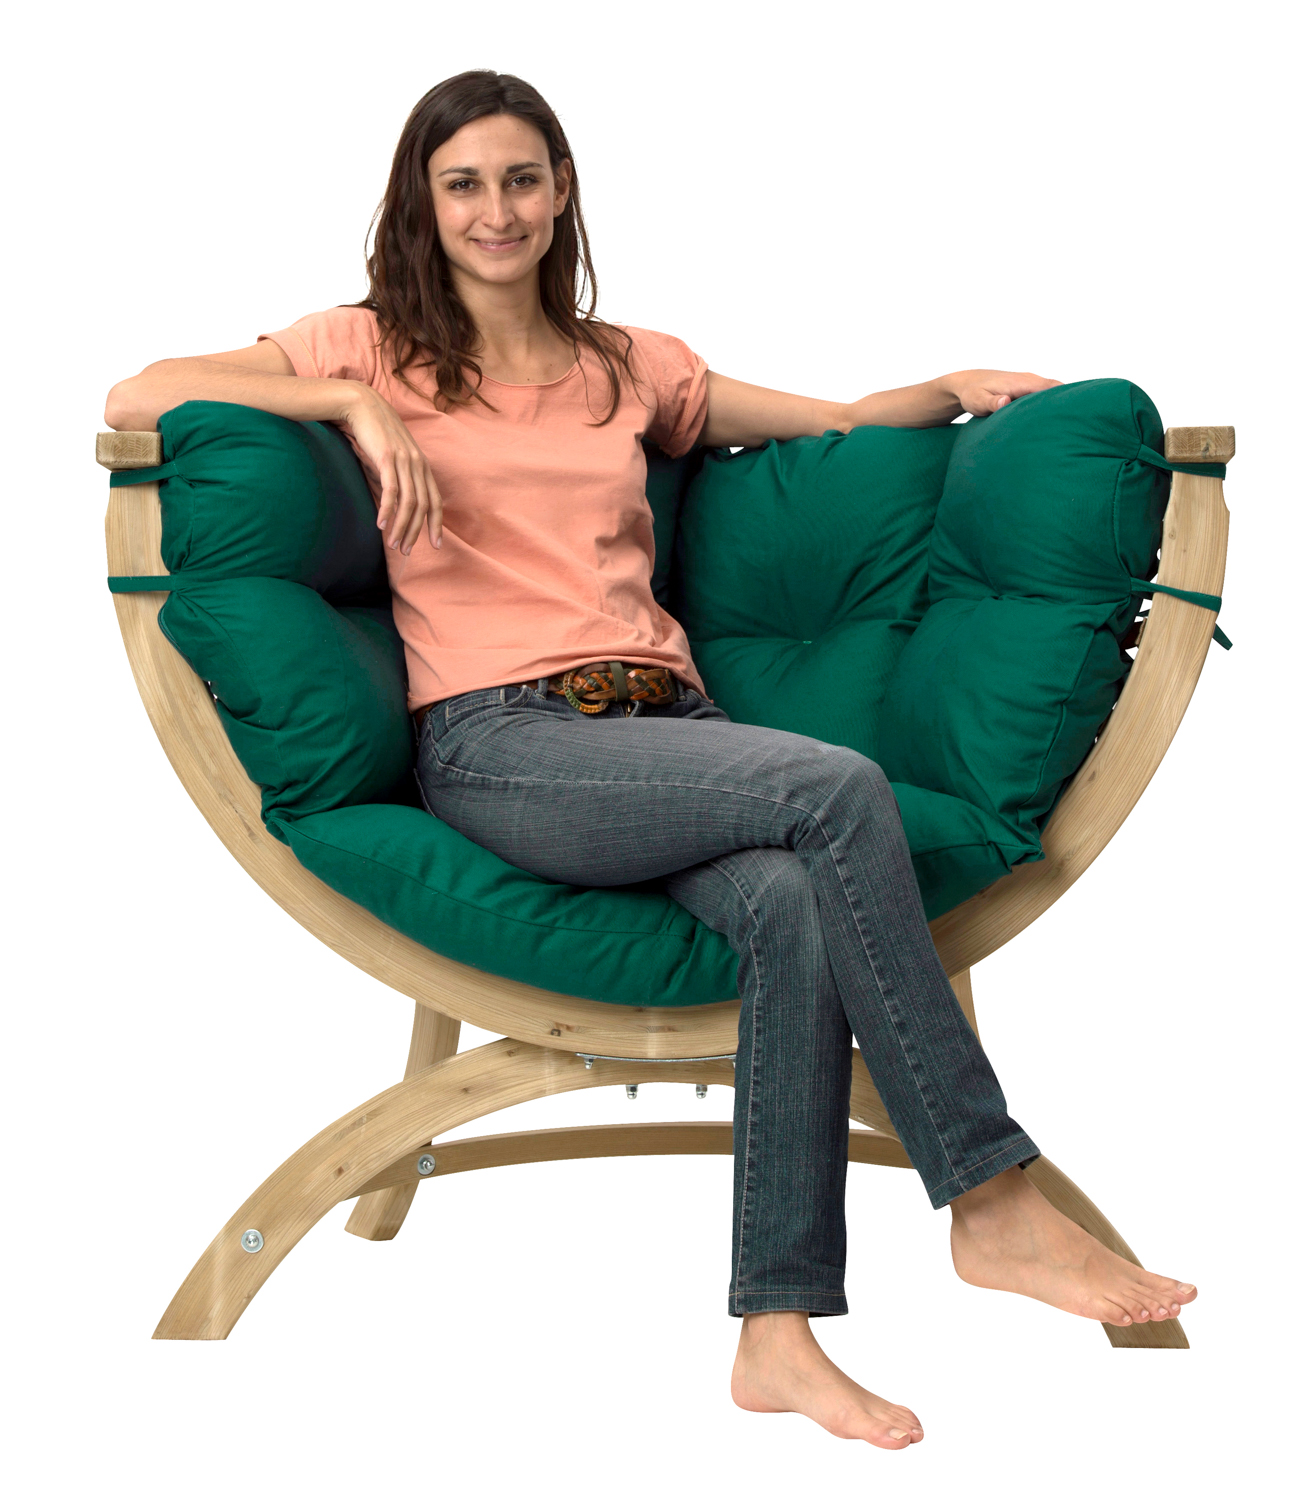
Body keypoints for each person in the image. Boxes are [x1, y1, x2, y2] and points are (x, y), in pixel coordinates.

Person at [105, 69, 1196, 1450]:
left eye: (521, 178)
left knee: (792, 901)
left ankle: (777, 1333)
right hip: (502, 741)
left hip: (674, 731)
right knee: (836, 787)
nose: (496, 211)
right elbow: (138, 391)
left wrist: (940, 391)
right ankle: (989, 1198)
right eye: (462, 184)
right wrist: (348, 404)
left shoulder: (628, 365)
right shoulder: (369, 346)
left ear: (560, 190)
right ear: (422, 204)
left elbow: (826, 420)